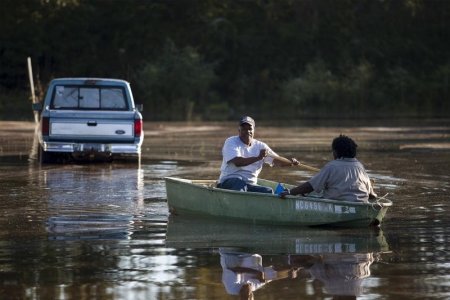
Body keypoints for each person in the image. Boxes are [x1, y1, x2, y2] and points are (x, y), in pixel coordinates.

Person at [280, 134, 376, 202]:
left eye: (333, 151)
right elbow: (372, 195)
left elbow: (310, 186)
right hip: (361, 205)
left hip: (338, 204)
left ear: (336, 152)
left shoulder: (332, 166)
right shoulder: (360, 166)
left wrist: (290, 192)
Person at [217, 116, 299, 194]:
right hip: (229, 182)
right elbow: (238, 162)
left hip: (250, 185)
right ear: (239, 130)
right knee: (239, 183)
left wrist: (290, 162)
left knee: (268, 191)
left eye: (250, 129)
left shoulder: (261, 146)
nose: (247, 131)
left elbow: (277, 161)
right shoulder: (231, 142)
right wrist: (258, 158)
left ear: (253, 130)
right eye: (244, 129)